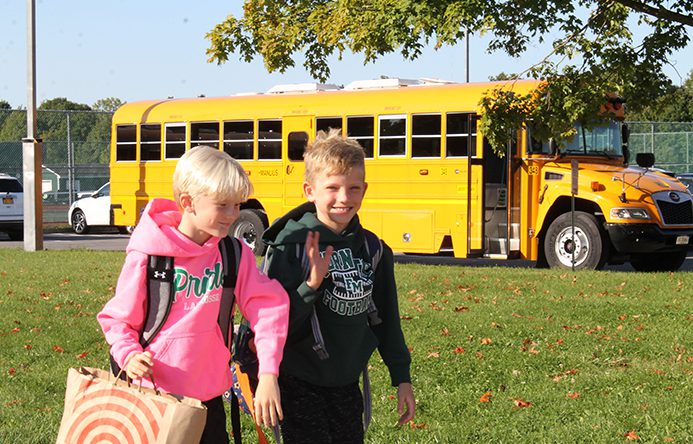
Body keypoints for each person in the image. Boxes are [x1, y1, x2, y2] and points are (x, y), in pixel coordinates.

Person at [97, 146, 290, 443]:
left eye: (237, 205)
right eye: (222, 205)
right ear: (188, 202)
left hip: (209, 398)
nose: (233, 215)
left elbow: (269, 308)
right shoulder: (149, 255)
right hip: (153, 397)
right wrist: (128, 354)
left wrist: (268, 373)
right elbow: (117, 320)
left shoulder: (234, 253)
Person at [262, 129, 416, 443]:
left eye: (353, 188)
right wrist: (311, 285)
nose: (344, 198)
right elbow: (271, 325)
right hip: (298, 380)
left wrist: (402, 377)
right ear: (310, 190)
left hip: (346, 382)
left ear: (364, 189)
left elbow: (386, 318)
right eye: (332, 187)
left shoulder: (373, 248)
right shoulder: (289, 245)